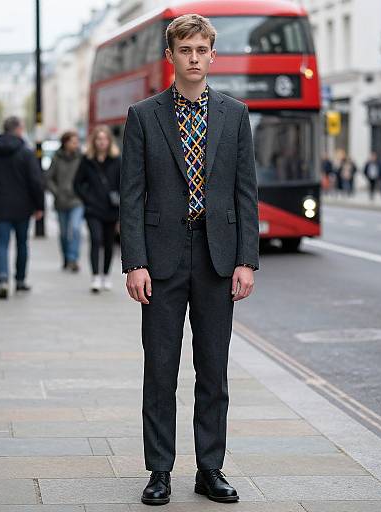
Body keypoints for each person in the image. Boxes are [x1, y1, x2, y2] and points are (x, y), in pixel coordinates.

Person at [120, 14, 259, 506]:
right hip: (160, 260)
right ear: (171, 56)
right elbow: (131, 196)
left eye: (202, 50)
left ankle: (210, 468)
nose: (194, 58)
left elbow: (246, 193)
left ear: (212, 55)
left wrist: (247, 260)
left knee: (213, 370)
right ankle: (159, 470)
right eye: (186, 50)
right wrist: (134, 262)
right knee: (160, 368)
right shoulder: (143, 116)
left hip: (218, 257)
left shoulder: (234, 114)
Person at [0, 116, 44, 299]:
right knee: (22, 243)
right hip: (23, 206)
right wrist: (39, 205)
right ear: (17, 129)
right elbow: (35, 181)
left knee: (2, 243)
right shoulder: (25, 152)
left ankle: (2, 279)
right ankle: (20, 280)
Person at [74, 125, 120, 293]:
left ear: (109, 141)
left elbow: (123, 183)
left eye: (105, 139)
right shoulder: (87, 160)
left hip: (111, 209)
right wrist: (88, 199)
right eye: (98, 139)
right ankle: (95, 276)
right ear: (94, 141)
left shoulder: (117, 160)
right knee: (96, 239)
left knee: (108, 244)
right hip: (93, 209)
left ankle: (106, 275)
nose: (102, 142)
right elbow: (77, 184)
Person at [46, 131, 83, 272]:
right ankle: (66, 258)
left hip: (76, 200)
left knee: (75, 229)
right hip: (61, 201)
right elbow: (48, 178)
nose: (76, 144)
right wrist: (57, 192)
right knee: (63, 233)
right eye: (73, 141)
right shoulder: (56, 158)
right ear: (65, 143)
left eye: (77, 141)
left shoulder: (81, 158)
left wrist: (82, 192)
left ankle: (73, 259)